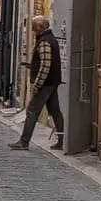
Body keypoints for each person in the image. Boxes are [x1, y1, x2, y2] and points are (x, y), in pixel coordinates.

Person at [9, 15, 64, 151]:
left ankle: (24, 141)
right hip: (52, 83)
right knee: (55, 111)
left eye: (34, 28)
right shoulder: (51, 40)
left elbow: (45, 65)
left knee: (32, 110)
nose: (33, 31)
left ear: (40, 28)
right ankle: (62, 141)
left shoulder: (45, 42)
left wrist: (37, 84)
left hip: (45, 84)